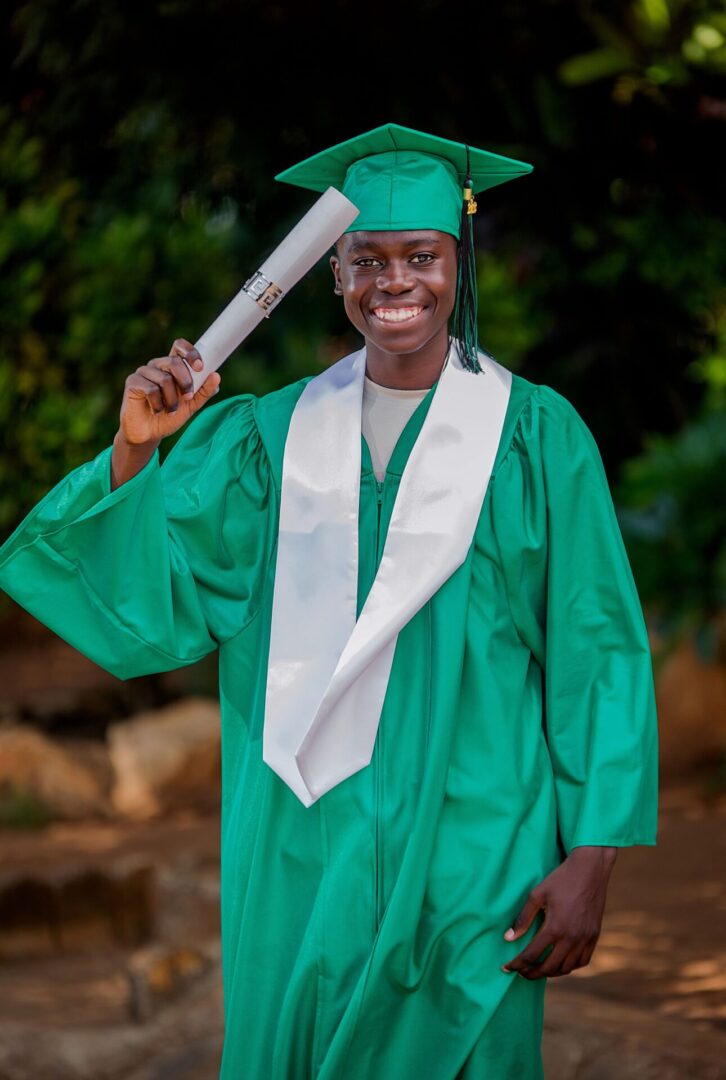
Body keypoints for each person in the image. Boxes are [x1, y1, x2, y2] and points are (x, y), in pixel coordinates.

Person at [0, 123, 658, 1079]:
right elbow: (160, 601)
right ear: (334, 274)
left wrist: (593, 855)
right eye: (368, 260)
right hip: (299, 838)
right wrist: (138, 448)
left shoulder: (536, 437)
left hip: (477, 842)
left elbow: (596, 649)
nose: (396, 281)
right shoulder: (266, 441)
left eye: (422, 256)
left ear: (458, 264)